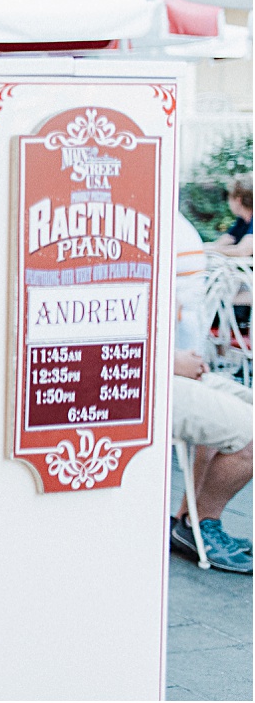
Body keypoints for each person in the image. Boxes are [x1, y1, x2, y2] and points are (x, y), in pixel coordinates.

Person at [169, 212, 253, 573]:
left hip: (186, 368)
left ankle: (188, 523)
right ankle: (204, 526)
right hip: (158, 376)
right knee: (248, 433)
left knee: (231, 414)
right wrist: (169, 361)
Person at [207, 173, 253, 257]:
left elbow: (243, 251)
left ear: (238, 200)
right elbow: (224, 241)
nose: (228, 203)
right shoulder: (242, 220)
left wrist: (212, 250)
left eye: (229, 198)